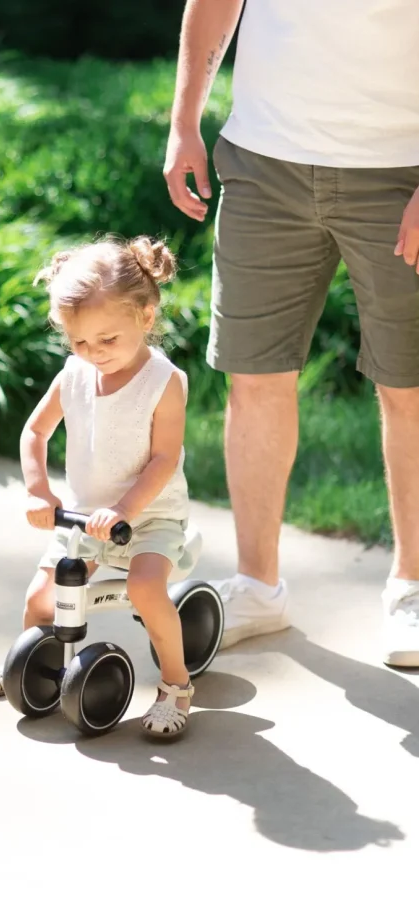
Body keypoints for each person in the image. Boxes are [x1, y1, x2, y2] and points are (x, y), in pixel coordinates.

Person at [163, 0, 419, 666]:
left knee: (410, 385)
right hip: (263, 161)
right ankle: (257, 586)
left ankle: (413, 588)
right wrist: (184, 117)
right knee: (252, 379)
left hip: (401, 168)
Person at [0, 235, 196, 738]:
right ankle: (29, 667)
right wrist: (38, 490)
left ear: (146, 317)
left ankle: (177, 685)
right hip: (88, 515)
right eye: (78, 342)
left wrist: (124, 509)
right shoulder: (75, 374)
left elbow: (163, 460)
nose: (93, 354)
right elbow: (34, 431)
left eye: (106, 340)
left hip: (150, 515)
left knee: (144, 588)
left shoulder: (164, 382)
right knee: (41, 599)